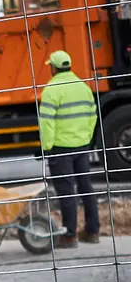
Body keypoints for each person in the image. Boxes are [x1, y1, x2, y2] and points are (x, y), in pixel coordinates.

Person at [39, 50, 100, 249]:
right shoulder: (83, 87)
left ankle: (69, 236)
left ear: (53, 68)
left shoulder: (51, 89)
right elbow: (92, 116)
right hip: (81, 145)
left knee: (66, 192)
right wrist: (86, 139)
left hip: (61, 148)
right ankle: (92, 231)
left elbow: (47, 122)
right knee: (86, 187)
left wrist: (47, 147)